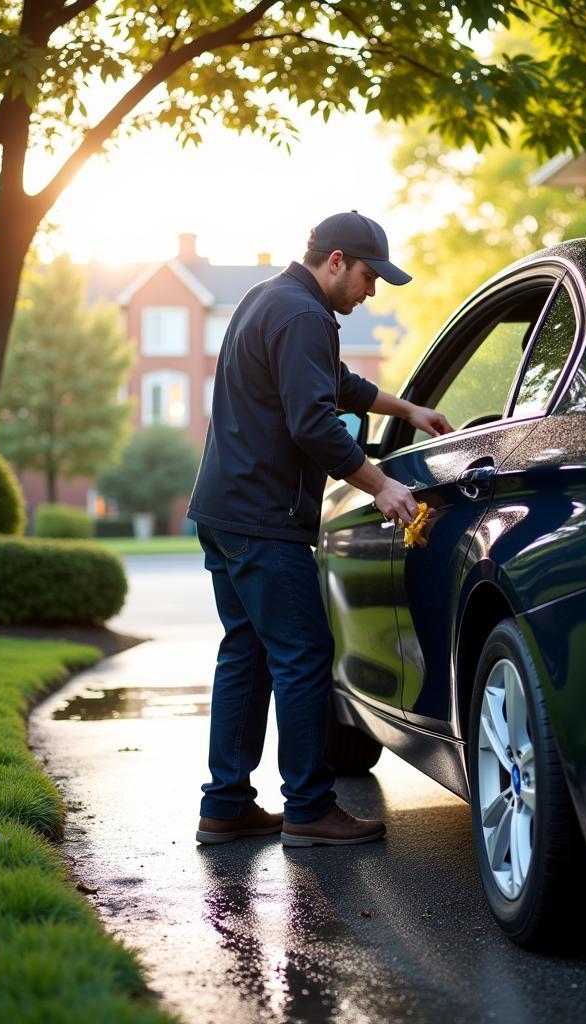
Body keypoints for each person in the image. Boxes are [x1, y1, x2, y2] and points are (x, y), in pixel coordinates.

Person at [188, 210, 452, 847]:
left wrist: (405, 408)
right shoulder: (305, 315)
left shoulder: (267, 299)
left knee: (245, 656)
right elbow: (312, 421)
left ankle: (225, 805)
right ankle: (309, 808)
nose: (371, 291)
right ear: (335, 260)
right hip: (266, 520)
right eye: (367, 276)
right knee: (303, 658)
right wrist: (382, 484)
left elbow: (333, 384)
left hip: (225, 511)